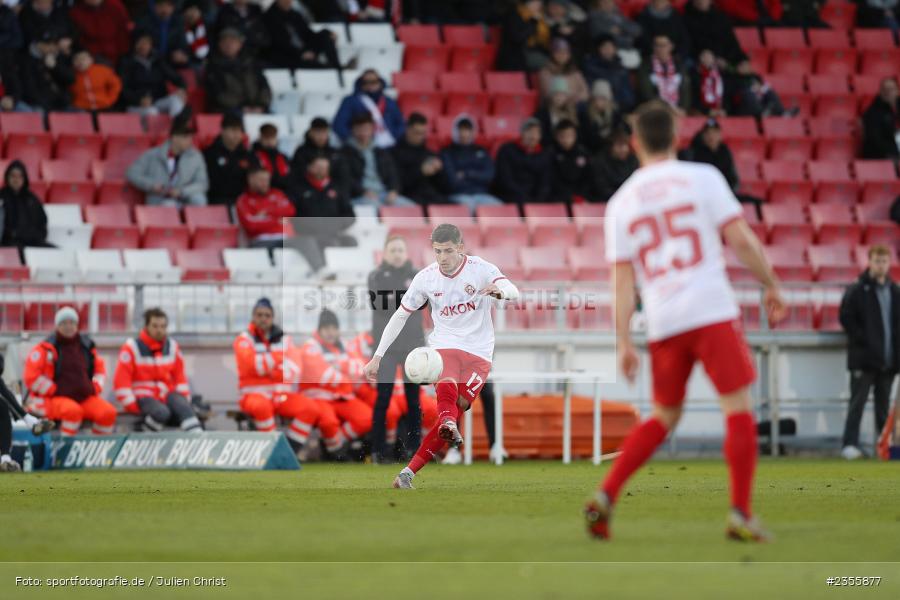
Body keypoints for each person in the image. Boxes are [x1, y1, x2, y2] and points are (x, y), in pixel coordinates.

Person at [584, 100, 787, 541]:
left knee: (663, 414)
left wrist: (623, 342)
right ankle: (740, 512)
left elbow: (621, 282)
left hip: (663, 319)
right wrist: (770, 283)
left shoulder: (620, 202)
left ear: (634, 142)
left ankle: (606, 493)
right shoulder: (704, 178)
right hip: (711, 308)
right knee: (736, 407)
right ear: (677, 137)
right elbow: (741, 240)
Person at [363, 223, 520, 488]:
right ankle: (434, 440)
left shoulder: (480, 269)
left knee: (455, 407)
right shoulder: (426, 277)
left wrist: (501, 292)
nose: (442, 258)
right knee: (448, 401)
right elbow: (400, 315)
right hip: (444, 345)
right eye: (437, 251)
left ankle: (408, 472)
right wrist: (377, 356)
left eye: (448, 251)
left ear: (460, 248)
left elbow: (513, 291)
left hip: (479, 352)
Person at [234, 298, 343, 460]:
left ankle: (288, 453)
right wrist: (279, 360)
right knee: (261, 407)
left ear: (272, 317)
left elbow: (294, 369)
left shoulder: (285, 338)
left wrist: (270, 366)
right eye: (259, 315)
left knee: (311, 408)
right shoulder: (244, 339)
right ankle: (271, 453)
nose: (263, 318)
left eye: (267, 315)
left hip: (281, 396)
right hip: (254, 396)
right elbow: (252, 366)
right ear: (253, 317)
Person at [367, 235, 426, 462]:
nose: (397, 254)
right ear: (385, 253)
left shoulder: (418, 276)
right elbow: (380, 306)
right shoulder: (376, 275)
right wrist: (407, 300)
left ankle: (414, 450)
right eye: (393, 250)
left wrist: (399, 300)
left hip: (412, 346)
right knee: (383, 397)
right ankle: (377, 451)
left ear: (406, 252)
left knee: (414, 400)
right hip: (387, 348)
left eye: (401, 250)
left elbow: (421, 303)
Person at [839, 246, 899, 460]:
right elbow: (846, 317)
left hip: (888, 360)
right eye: (877, 261)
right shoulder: (858, 288)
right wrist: (863, 340)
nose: (881, 265)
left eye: (884, 261)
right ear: (870, 262)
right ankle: (849, 444)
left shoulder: (894, 290)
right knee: (857, 403)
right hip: (863, 359)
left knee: (883, 407)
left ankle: (882, 445)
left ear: (889, 263)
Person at [23, 307, 116, 437]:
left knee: (108, 412)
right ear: (57, 326)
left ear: (77, 325)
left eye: (71, 323)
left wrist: (94, 388)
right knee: (72, 411)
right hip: (53, 399)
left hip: (84, 397)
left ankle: (99, 450)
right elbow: (31, 377)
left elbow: (100, 371)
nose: (68, 326)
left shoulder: (87, 346)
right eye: (64, 323)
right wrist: (53, 389)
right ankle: (65, 451)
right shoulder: (45, 348)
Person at [297, 310, 374, 455]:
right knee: (329, 422)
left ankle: (333, 446)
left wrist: (339, 366)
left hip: (342, 397)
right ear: (319, 330)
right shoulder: (310, 346)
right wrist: (345, 373)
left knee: (367, 417)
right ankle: (336, 453)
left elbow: (360, 367)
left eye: (334, 328)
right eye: (326, 329)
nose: (330, 333)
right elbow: (322, 375)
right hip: (318, 398)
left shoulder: (345, 345)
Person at [113, 308, 202, 433]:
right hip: (143, 396)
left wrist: (184, 398)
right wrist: (131, 404)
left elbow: (180, 377)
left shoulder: (172, 347)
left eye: (163, 326)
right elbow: (121, 381)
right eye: (155, 326)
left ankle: (198, 443)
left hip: (166, 393)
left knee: (185, 409)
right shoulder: (131, 347)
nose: (159, 330)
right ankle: (141, 438)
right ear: (146, 326)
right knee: (161, 413)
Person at [292, 153, 357, 271]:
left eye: (325, 168)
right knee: (326, 242)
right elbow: (293, 216)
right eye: (319, 167)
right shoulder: (299, 188)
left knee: (351, 241)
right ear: (310, 168)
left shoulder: (336, 188)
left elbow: (350, 215)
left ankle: (351, 274)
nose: (322, 171)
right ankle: (323, 273)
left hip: (333, 232)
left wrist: (335, 225)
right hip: (308, 234)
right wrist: (314, 226)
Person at [335, 112, 414, 207]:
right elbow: (346, 178)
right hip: (360, 196)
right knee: (376, 209)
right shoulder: (344, 153)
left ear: (372, 129)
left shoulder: (381, 152)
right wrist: (363, 192)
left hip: (384, 194)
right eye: (360, 129)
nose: (363, 132)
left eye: (367, 129)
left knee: (411, 208)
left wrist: (393, 190)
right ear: (353, 130)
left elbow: (393, 174)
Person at [127, 117, 209, 206]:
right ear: (174, 137)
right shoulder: (152, 154)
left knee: (199, 199)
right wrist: (151, 185)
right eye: (185, 137)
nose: (190, 141)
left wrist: (182, 191)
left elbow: (202, 183)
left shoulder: (196, 156)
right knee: (169, 205)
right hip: (160, 199)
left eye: (191, 138)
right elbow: (132, 173)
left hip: (185, 197)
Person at [118, 30, 187, 117]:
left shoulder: (158, 60)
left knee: (176, 100)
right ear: (134, 44)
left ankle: (178, 128)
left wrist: (182, 88)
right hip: (135, 105)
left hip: (157, 100)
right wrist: (138, 100)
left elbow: (176, 77)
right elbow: (122, 88)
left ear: (151, 45)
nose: (143, 46)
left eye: (146, 43)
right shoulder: (126, 62)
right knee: (152, 112)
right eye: (140, 43)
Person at [440, 116, 502, 213]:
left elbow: (489, 176)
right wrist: (478, 177)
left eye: (468, 130)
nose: (465, 134)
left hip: (482, 195)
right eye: (461, 130)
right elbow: (452, 181)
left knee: (501, 209)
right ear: (455, 132)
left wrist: (466, 174)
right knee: (468, 208)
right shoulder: (447, 153)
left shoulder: (481, 151)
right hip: (459, 195)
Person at [205, 27, 271, 114]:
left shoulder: (251, 64)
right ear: (219, 44)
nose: (229, 45)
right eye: (225, 41)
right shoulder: (213, 66)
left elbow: (264, 88)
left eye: (232, 41)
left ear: (240, 44)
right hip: (229, 111)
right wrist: (242, 108)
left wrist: (262, 106)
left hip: (257, 109)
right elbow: (218, 95)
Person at [332, 69, 405, 147]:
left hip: (388, 144)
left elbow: (401, 123)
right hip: (361, 146)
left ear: (380, 82)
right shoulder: (351, 101)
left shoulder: (389, 101)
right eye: (366, 82)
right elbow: (339, 125)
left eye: (373, 82)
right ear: (360, 83)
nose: (370, 85)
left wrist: (394, 136)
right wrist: (354, 140)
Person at [391, 112, 447, 207]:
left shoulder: (430, 153)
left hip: (432, 197)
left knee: (457, 208)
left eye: (423, 133)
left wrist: (439, 170)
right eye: (417, 133)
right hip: (409, 197)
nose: (420, 137)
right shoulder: (394, 153)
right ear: (408, 130)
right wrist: (421, 171)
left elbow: (444, 186)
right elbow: (398, 184)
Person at [236, 165, 296, 253]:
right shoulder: (244, 200)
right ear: (251, 180)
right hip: (261, 240)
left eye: (267, 180)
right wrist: (277, 220)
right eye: (261, 180)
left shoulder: (277, 194)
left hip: (285, 237)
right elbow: (251, 225)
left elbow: (290, 211)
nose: (265, 183)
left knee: (308, 243)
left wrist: (267, 214)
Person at [262, 0, 338, 70]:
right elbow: (279, 43)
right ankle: (329, 69)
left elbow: (308, 34)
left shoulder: (294, 15)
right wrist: (301, 54)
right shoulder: (270, 17)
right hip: (288, 56)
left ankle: (336, 67)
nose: (288, 2)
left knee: (325, 36)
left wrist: (327, 33)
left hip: (304, 50)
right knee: (311, 64)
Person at [493, 118, 552, 205]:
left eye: (537, 132)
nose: (533, 136)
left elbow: (545, 183)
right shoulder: (507, 150)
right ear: (522, 133)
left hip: (535, 200)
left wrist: (538, 200)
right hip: (510, 197)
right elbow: (505, 179)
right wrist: (523, 197)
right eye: (529, 131)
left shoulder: (544, 155)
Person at [0, 161, 51, 252]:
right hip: (8, 244)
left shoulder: (32, 199)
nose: (16, 179)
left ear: (24, 178)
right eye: (13, 176)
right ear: (7, 177)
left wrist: (35, 236)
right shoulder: (1, 197)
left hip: (33, 243)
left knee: (55, 252)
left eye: (20, 176)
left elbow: (42, 223)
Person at [203, 112, 253, 207]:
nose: (237, 135)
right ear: (222, 131)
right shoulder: (210, 153)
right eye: (233, 130)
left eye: (239, 131)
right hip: (217, 200)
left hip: (243, 201)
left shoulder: (248, 155)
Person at [683, 0, 746, 69]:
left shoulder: (721, 18)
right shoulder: (685, 20)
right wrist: (701, 55)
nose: (702, 1)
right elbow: (686, 46)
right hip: (699, 65)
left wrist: (742, 61)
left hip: (724, 64)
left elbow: (732, 45)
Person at [636, 34, 691, 114]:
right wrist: (668, 108)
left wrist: (683, 108)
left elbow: (685, 90)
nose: (660, 48)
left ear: (671, 46)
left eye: (663, 45)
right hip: (655, 110)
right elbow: (646, 93)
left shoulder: (679, 65)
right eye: (657, 45)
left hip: (678, 110)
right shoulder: (645, 66)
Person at [21, 32, 74, 113]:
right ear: (38, 44)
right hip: (39, 104)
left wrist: (55, 67)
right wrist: (45, 104)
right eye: (48, 44)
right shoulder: (27, 61)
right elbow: (29, 88)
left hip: (61, 103)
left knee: (81, 115)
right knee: (39, 114)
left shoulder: (58, 58)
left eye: (54, 44)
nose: (52, 47)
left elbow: (70, 79)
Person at [582, 34, 636, 112]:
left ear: (615, 49)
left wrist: (625, 103)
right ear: (598, 49)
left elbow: (627, 92)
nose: (607, 49)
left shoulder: (621, 68)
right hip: (598, 105)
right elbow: (590, 88)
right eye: (604, 47)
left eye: (610, 46)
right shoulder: (591, 67)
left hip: (619, 105)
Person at [69, 0, 131, 66]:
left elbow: (124, 31)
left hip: (120, 53)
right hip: (93, 55)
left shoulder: (115, 5)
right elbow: (79, 39)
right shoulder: (76, 11)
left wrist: (124, 53)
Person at [681, 119, 739, 190]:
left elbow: (733, 179)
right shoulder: (694, 152)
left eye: (714, 132)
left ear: (720, 134)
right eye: (707, 133)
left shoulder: (725, 152)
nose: (711, 136)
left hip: (722, 193)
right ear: (703, 135)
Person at [496, 0, 551, 72]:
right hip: (516, 56)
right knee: (551, 65)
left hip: (535, 52)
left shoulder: (541, 18)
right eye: (536, 2)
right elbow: (518, 37)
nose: (539, 5)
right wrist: (533, 21)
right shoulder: (514, 14)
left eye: (540, 3)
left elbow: (546, 40)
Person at [551, 119, 596, 204]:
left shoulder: (584, 153)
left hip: (581, 197)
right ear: (556, 137)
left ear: (575, 135)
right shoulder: (551, 154)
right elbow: (552, 180)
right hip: (558, 198)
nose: (566, 140)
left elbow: (588, 178)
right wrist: (567, 197)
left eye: (569, 136)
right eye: (562, 136)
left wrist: (580, 196)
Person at [135, 0, 190, 68]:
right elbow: (137, 47)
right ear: (154, 6)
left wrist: (182, 55)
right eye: (161, 5)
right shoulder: (144, 23)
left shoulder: (178, 22)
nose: (164, 9)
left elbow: (183, 46)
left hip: (173, 65)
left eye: (168, 5)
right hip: (151, 65)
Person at [579, 79, 625, 154]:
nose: (599, 102)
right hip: (595, 150)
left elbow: (618, 129)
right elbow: (588, 138)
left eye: (603, 99)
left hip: (613, 146)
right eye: (596, 98)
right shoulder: (586, 115)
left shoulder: (615, 112)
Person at [592, 128, 638, 202]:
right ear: (611, 147)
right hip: (608, 202)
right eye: (620, 146)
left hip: (632, 200)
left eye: (626, 145)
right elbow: (602, 189)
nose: (625, 149)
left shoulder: (633, 159)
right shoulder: (600, 162)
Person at [538, 38, 589, 105]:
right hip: (554, 106)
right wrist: (567, 97)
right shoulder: (546, 72)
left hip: (575, 105)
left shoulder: (575, 72)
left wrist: (575, 98)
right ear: (553, 54)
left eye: (565, 52)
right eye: (559, 52)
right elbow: (548, 94)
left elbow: (585, 92)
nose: (562, 55)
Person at [70, 48, 122, 112]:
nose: (80, 62)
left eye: (83, 59)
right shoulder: (70, 75)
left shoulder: (103, 70)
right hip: (81, 108)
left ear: (91, 59)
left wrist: (110, 100)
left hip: (104, 106)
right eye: (77, 59)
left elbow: (116, 85)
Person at [535, 76, 581, 144]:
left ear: (566, 97)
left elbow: (578, 134)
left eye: (562, 94)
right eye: (556, 94)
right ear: (551, 96)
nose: (559, 98)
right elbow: (542, 135)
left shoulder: (573, 113)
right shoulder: (543, 113)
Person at [861, 78, 899, 161]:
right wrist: (894, 154)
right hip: (881, 156)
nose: (888, 92)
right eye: (885, 89)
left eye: (891, 89)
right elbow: (875, 140)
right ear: (880, 92)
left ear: (897, 91)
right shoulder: (873, 112)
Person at [252, 123, 293, 195]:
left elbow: (290, 177)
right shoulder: (254, 156)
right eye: (266, 138)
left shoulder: (283, 157)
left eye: (272, 137)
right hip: (262, 194)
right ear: (260, 138)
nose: (269, 141)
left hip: (284, 193)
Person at [693, 49, 726, 117]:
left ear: (713, 60)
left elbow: (724, 94)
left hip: (718, 109)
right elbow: (694, 97)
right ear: (700, 59)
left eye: (709, 57)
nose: (707, 59)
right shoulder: (695, 75)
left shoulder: (719, 75)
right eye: (704, 57)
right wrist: (707, 110)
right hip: (701, 111)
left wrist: (723, 109)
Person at [182, 0, 210, 64]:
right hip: (187, 64)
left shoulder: (208, 27)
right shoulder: (180, 28)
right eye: (190, 9)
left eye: (195, 10)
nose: (192, 13)